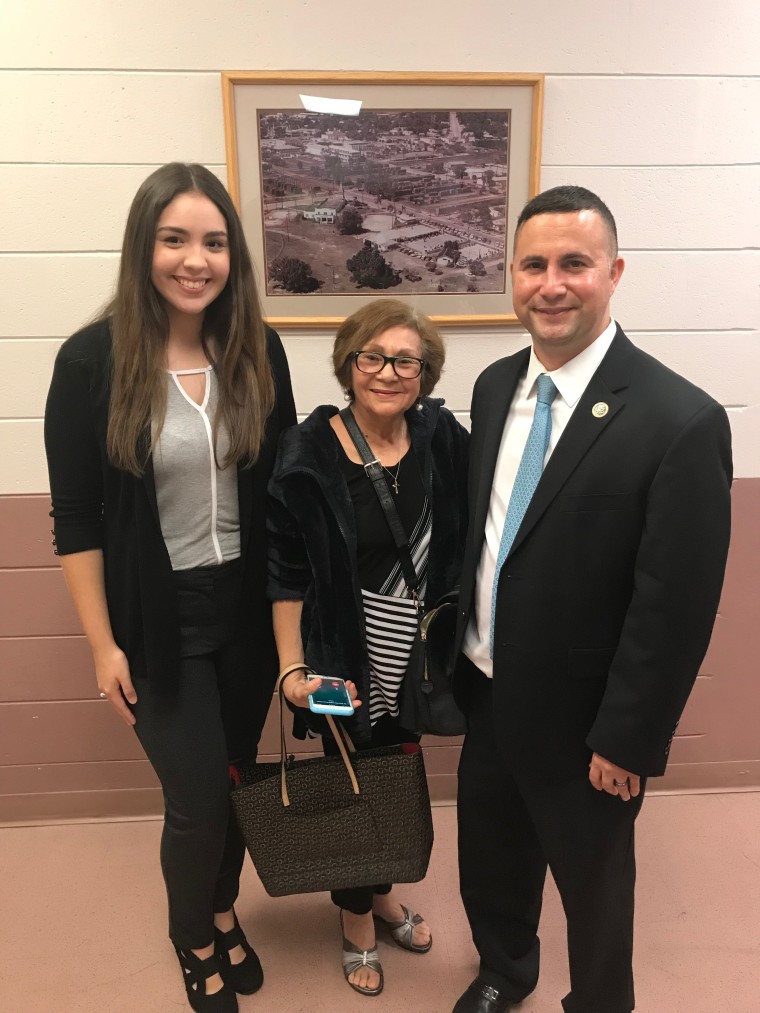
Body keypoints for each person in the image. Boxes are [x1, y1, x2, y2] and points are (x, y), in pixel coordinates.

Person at [451, 186, 732, 1013]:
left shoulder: (680, 420)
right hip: (490, 691)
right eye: (533, 264)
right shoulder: (495, 386)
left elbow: (673, 607)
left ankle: (601, 1001)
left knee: (594, 884)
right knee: (493, 857)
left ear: (613, 273)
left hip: (590, 724)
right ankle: (505, 969)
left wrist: (630, 738)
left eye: (574, 263)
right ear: (511, 275)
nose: (552, 283)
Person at [44, 162, 296, 1013]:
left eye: (215, 242)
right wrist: (102, 644)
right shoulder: (90, 361)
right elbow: (75, 518)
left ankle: (221, 906)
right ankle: (192, 935)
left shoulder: (257, 350)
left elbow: (285, 495)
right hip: (158, 618)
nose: (197, 259)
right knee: (193, 797)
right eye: (176, 239)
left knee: (233, 776)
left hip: (248, 611)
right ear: (143, 248)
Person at [266, 298, 469, 997]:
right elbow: (286, 572)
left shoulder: (441, 435)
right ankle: (357, 921)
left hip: (417, 658)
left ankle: (379, 893)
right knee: (350, 782)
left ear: (425, 371)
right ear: (349, 365)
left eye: (405, 359)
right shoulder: (309, 451)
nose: (388, 371)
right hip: (339, 658)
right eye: (372, 357)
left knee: (396, 781)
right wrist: (294, 668)